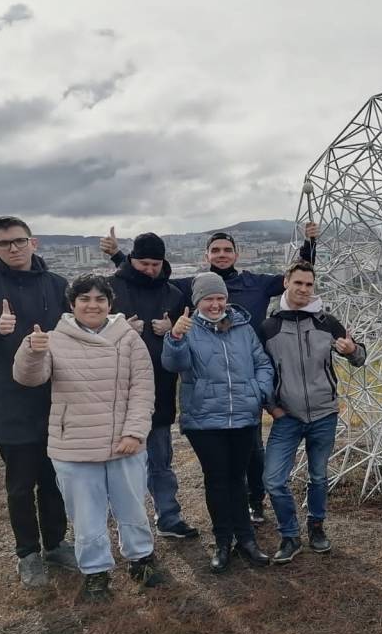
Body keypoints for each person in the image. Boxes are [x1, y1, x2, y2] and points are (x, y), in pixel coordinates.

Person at [102, 223, 318, 525]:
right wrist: (119, 258)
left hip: (245, 382)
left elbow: (293, 281)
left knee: (253, 450)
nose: (221, 254)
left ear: (237, 254)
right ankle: (225, 525)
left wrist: (310, 244)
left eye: (227, 250)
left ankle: (254, 502)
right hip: (208, 387)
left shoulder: (255, 282)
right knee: (218, 466)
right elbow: (147, 276)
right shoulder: (191, 284)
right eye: (215, 250)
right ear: (206, 255)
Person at [13, 274, 163, 602]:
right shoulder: (53, 339)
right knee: (85, 515)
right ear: (72, 304)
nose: (92, 305)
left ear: (110, 304)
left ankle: (141, 559)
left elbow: (142, 388)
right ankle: (95, 572)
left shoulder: (128, 339)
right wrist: (31, 351)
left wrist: (135, 432)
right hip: (73, 445)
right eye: (85, 299)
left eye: (100, 299)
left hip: (125, 442)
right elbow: (30, 378)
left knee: (133, 507)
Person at [0, 216, 76, 588]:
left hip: (56, 398)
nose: (13, 248)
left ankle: (55, 543)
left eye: (19, 241)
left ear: (33, 243)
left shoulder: (57, 286)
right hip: (10, 403)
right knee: (21, 484)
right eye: (4, 244)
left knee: (55, 480)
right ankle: (28, 553)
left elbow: (77, 329)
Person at [162, 272, 275, 573]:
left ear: (227, 299)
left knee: (238, 478)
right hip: (204, 418)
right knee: (217, 479)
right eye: (208, 299)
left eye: (220, 298)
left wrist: (258, 392)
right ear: (197, 301)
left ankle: (247, 540)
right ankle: (223, 541)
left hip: (242, 415)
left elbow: (262, 363)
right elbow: (175, 365)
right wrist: (174, 338)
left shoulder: (242, 327)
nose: (215, 304)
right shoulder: (187, 328)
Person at [260, 260, 366, 563]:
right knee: (274, 480)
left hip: (323, 414)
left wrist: (351, 351)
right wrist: (272, 408)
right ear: (286, 283)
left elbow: (359, 356)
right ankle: (290, 535)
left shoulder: (326, 323)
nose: (304, 289)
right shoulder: (269, 328)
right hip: (287, 417)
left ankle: (316, 527)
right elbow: (260, 371)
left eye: (309, 285)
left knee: (318, 476)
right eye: (299, 283)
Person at [108, 232, 198, 539]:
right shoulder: (110, 289)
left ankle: (168, 516)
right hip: (117, 391)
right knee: (120, 465)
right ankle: (125, 524)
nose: (149, 269)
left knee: (161, 460)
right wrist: (118, 328)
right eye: (144, 263)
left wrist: (173, 328)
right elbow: (87, 332)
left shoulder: (173, 294)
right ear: (131, 260)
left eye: (155, 264)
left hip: (159, 388)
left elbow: (187, 334)